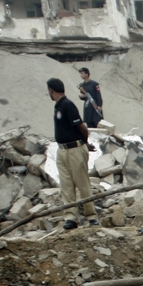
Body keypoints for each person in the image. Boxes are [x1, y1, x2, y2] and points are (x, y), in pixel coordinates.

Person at [48, 77, 98, 229]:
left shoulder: (67, 105)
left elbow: (82, 127)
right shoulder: (58, 106)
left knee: (82, 183)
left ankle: (91, 216)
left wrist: (85, 143)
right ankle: (70, 217)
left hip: (75, 149)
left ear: (51, 90)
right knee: (66, 185)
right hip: (62, 150)